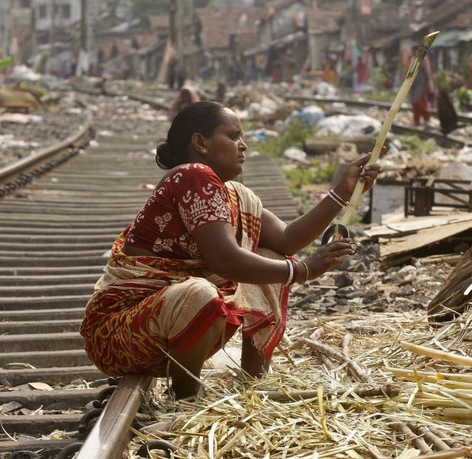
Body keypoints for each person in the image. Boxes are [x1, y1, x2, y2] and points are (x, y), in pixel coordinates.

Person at [79, 101, 383, 399]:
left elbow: (287, 240)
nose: (244, 146)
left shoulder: (234, 195)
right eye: (233, 136)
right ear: (200, 142)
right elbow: (225, 261)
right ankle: (185, 398)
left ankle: (253, 382)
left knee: (270, 257)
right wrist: (303, 271)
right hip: (119, 334)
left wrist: (343, 191)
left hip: (170, 329)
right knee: (200, 293)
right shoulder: (192, 175)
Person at [408, 45, 435, 126]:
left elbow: (427, 72)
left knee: (418, 101)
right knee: (413, 102)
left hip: (421, 83)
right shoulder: (412, 59)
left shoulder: (424, 59)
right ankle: (416, 120)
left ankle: (427, 117)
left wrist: (430, 84)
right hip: (413, 83)